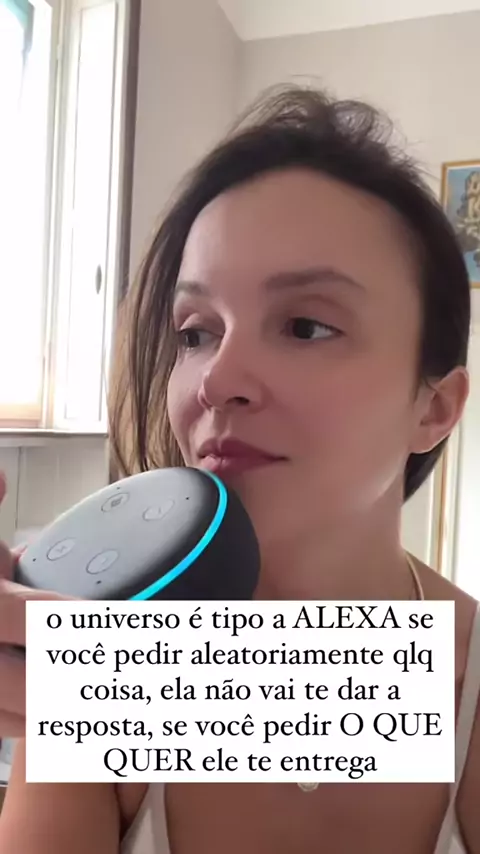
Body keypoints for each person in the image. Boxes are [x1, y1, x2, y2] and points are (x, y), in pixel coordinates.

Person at [0, 83, 479, 854]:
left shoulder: (465, 688)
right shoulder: (109, 670)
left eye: (306, 325)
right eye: (195, 332)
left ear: (435, 408)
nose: (217, 380)